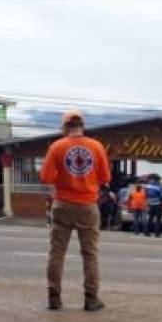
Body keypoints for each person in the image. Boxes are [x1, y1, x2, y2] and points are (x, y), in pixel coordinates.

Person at [39, 109, 111, 311]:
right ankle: (91, 298)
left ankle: (54, 297)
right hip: (88, 206)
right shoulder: (96, 147)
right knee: (90, 254)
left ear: (65, 127)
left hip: (62, 204)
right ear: (82, 126)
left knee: (57, 252)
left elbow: (45, 178)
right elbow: (105, 178)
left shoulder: (56, 147)